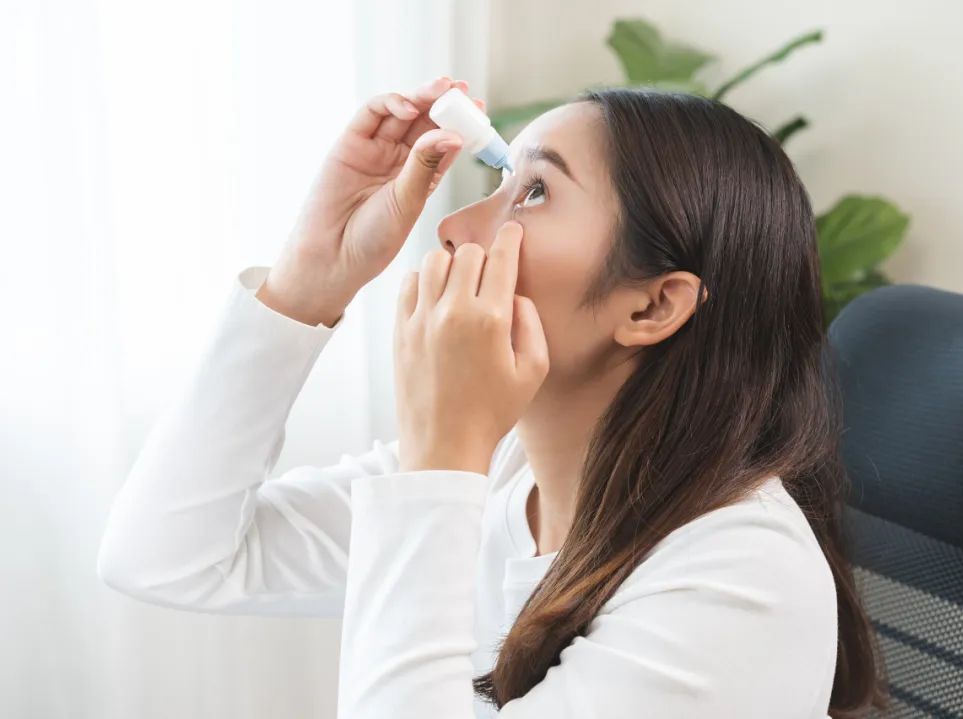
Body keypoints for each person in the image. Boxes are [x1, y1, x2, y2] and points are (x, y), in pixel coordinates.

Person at [97, 75, 888, 718]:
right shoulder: (513, 471)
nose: (453, 228)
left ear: (653, 305)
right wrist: (308, 281)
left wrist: (442, 457)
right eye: (503, 181)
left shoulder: (738, 578)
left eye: (535, 191)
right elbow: (166, 555)